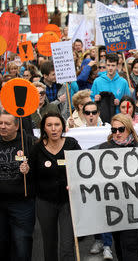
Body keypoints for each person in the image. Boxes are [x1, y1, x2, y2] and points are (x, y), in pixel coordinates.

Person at [29, 112, 81, 261]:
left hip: (68, 201)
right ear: (43, 128)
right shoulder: (37, 148)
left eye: (57, 125)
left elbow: (82, 168)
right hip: (45, 201)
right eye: (49, 125)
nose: (53, 129)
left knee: (67, 243)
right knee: (49, 242)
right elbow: (31, 175)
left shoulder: (71, 144)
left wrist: (75, 183)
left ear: (62, 127)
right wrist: (25, 170)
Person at [98, 114, 138, 261]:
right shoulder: (104, 148)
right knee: (119, 246)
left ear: (130, 129)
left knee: (130, 246)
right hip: (114, 206)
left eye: (121, 129)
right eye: (114, 130)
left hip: (135, 205)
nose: (117, 133)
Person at [0, 112, 35, 261]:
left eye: (7, 124)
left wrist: (30, 170)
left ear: (16, 126)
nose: (2, 127)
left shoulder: (29, 142)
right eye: (0, 123)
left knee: (22, 243)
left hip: (22, 204)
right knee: (0, 243)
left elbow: (40, 168)